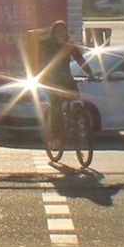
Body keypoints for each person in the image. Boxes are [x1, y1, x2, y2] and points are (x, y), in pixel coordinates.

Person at [34, 19, 86, 155]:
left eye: (63, 32)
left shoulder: (70, 45)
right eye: (58, 32)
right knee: (56, 107)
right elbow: (42, 63)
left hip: (66, 79)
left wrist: (92, 74)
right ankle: (55, 137)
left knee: (75, 99)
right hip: (52, 79)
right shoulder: (47, 45)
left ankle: (75, 124)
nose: (61, 35)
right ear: (53, 33)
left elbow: (81, 60)